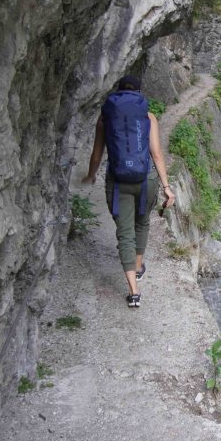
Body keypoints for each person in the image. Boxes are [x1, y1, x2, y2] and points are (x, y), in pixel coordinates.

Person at [82, 75, 175, 307]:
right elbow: (156, 154)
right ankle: (139, 265)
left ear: (118, 92)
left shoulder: (106, 118)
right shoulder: (148, 117)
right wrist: (166, 187)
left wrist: (91, 176)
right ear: (139, 94)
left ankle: (134, 292)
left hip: (118, 180)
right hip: (146, 179)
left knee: (125, 233)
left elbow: (97, 155)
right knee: (142, 222)